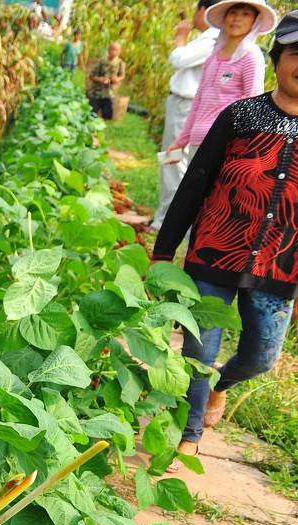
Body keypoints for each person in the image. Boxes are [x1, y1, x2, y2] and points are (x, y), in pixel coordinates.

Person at [152, 9, 298, 463]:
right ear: (277, 58)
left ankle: (222, 385)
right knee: (200, 348)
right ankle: (190, 431)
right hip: (214, 253)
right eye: (296, 53)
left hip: (280, 266)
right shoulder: (241, 115)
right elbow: (195, 181)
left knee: (261, 358)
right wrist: (163, 250)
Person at [163, 1, 276, 164]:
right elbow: (198, 101)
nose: (237, 18)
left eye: (246, 14)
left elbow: (252, 103)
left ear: (255, 21)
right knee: (194, 188)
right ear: (224, 18)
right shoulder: (213, 58)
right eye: (233, 13)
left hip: (225, 143)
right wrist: (182, 140)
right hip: (198, 139)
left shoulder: (250, 57)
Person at [151, 0, 220, 232]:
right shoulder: (207, 38)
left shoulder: (213, 38)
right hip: (182, 104)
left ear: (204, 11)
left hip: (186, 105)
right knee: (173, 160)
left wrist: (181, 37)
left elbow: (178, 59)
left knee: (174, 160)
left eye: (195, 11)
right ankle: (166, 217)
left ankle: (167, 221)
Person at [88, 42, 127, 120]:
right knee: (91, 115)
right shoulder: (101, 61)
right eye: (112, 49)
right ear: (108, 50)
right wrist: (100, 79)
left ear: (119, 52)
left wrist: (117, 79)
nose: (114, 52)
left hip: (109, 94)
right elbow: (91, 77)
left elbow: (122, 76)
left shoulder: (120, 63)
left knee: (107, 116)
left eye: (116, 50)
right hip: (96, 93)